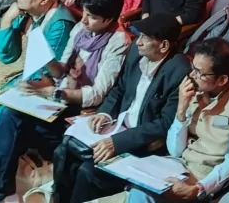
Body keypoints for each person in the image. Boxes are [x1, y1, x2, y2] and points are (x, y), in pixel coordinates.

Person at [0, 0, 127, 203]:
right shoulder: (80, 30)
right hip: (60, 99)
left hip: (82, 112)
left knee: (16, 125)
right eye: (84, 13)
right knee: (10, 114)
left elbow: (97, 94)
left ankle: (5, 189)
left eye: (92, 17)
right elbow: (61, 71)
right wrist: (46, 63)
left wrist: (56, 92)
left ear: (109, 20)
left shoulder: (118, 42)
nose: (84, 21)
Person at [52, 13, 191, 203]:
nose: (138, 41)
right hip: (116, 127)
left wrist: (117, 142)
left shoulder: (179, 71)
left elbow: (164, 123)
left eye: (145, 38)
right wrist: (104, 113)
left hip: (142, 143)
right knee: (63, 150)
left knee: (88, 172)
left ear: (164, 46)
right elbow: (120, 88)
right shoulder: (136, 51)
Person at [122, 38, 229, 202]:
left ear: (222, 80)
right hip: (178, 164)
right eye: (192, 67)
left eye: (199, 72)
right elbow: (175, 150)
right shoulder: (193, 86)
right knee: (137, 182)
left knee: (142, 193)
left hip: (207, 175)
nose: (192, 75)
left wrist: (201, 188)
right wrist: (181, 109)